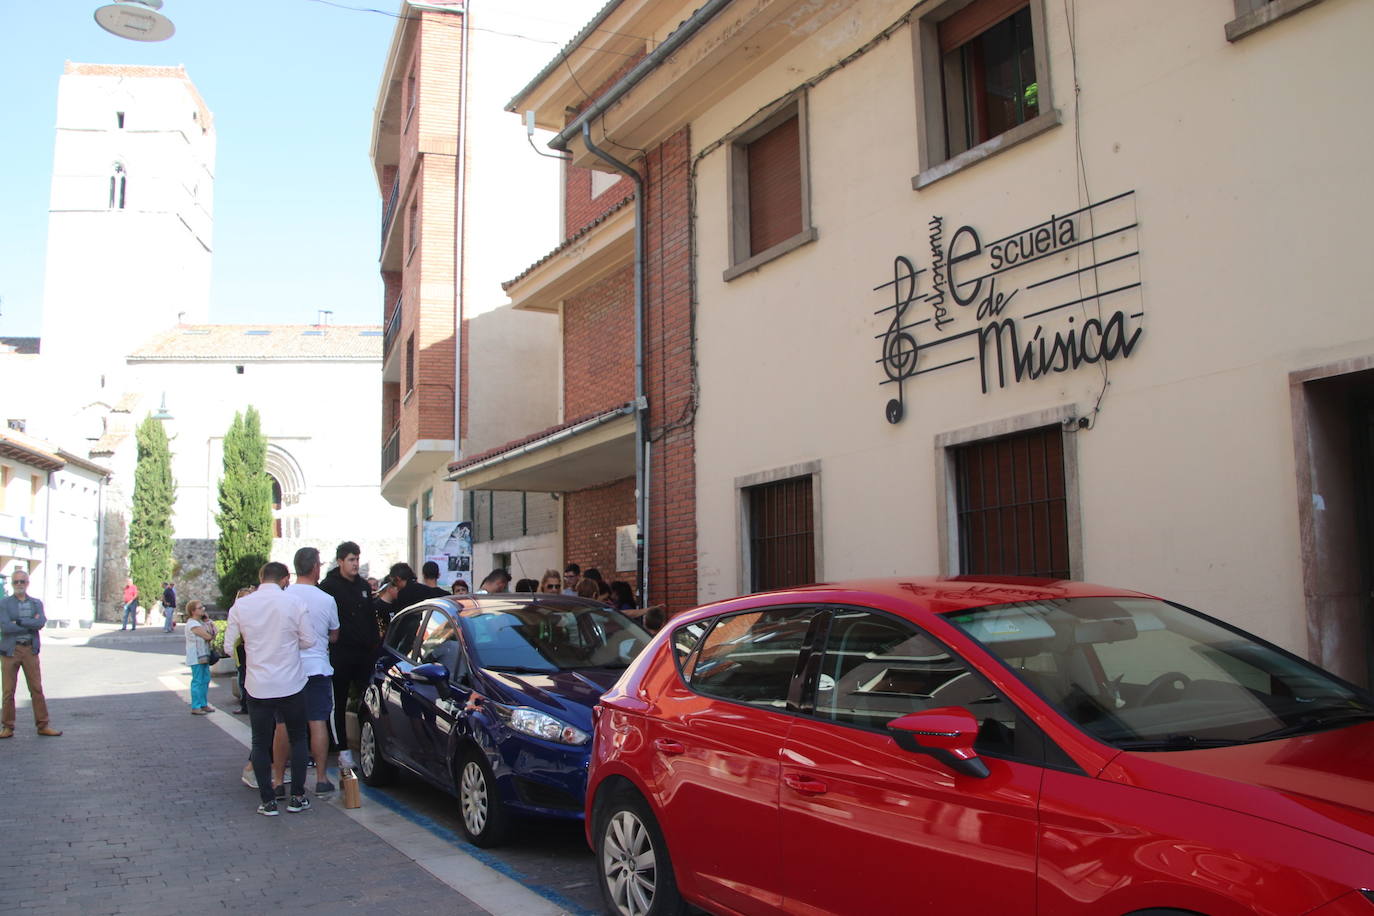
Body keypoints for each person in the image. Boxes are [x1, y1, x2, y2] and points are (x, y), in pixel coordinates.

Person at [225, 562, 314, 816]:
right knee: (298, 738)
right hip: (291, 681)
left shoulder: (242, 605)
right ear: (285, 579)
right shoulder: (294, 603)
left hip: (258, 683)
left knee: (260, 742)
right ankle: (297, 796)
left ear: (260, 577)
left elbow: (227, 644)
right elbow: (309, 640)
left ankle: (268, 801)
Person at [278, 547, 340, 798]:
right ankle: (322, 779)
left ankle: (277, 779)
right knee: (318, 723)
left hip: (288, 669)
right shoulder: (326, 599)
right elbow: (334, 635)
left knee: (282, 724)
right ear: (315, 567)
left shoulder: (283, 596)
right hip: (317, 668)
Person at [318, 541, 378, 756]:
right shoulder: (329, 586)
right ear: (340, 561)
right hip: (340, 654)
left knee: (367, 701)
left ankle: (367, 746)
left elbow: (371, 617)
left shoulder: (362, 586)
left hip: (363, 655)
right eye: (351, 560)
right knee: (339, 702)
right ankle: (341, 746)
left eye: (357, 559)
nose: (355, 564)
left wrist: (374, 645)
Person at [0, 570, 60, 738]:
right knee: (8, 691)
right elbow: (5, 627)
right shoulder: (4, 604)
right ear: (12, 584)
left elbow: (41, 622)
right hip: (10, 651)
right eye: (16, 582)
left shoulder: (36, 603)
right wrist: (30, 624)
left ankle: (43, 725)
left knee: (36, 689)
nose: (19, 584)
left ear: (27, 583)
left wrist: (18, 621)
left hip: (29, 650)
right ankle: (7, 727)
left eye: (22, 581)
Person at [184, 600, 216, 715]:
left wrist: (207, 620)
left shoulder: (201, 623)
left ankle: (203, 703)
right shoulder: (193, 624)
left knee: (205, 680)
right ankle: (196, 706)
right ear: (193, 611)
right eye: (200, 608)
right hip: (196, 657)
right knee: (198, 681)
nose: (203, 609)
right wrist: (209, 633)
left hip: (204, 656)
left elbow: (213, 631)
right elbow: (207, 636)